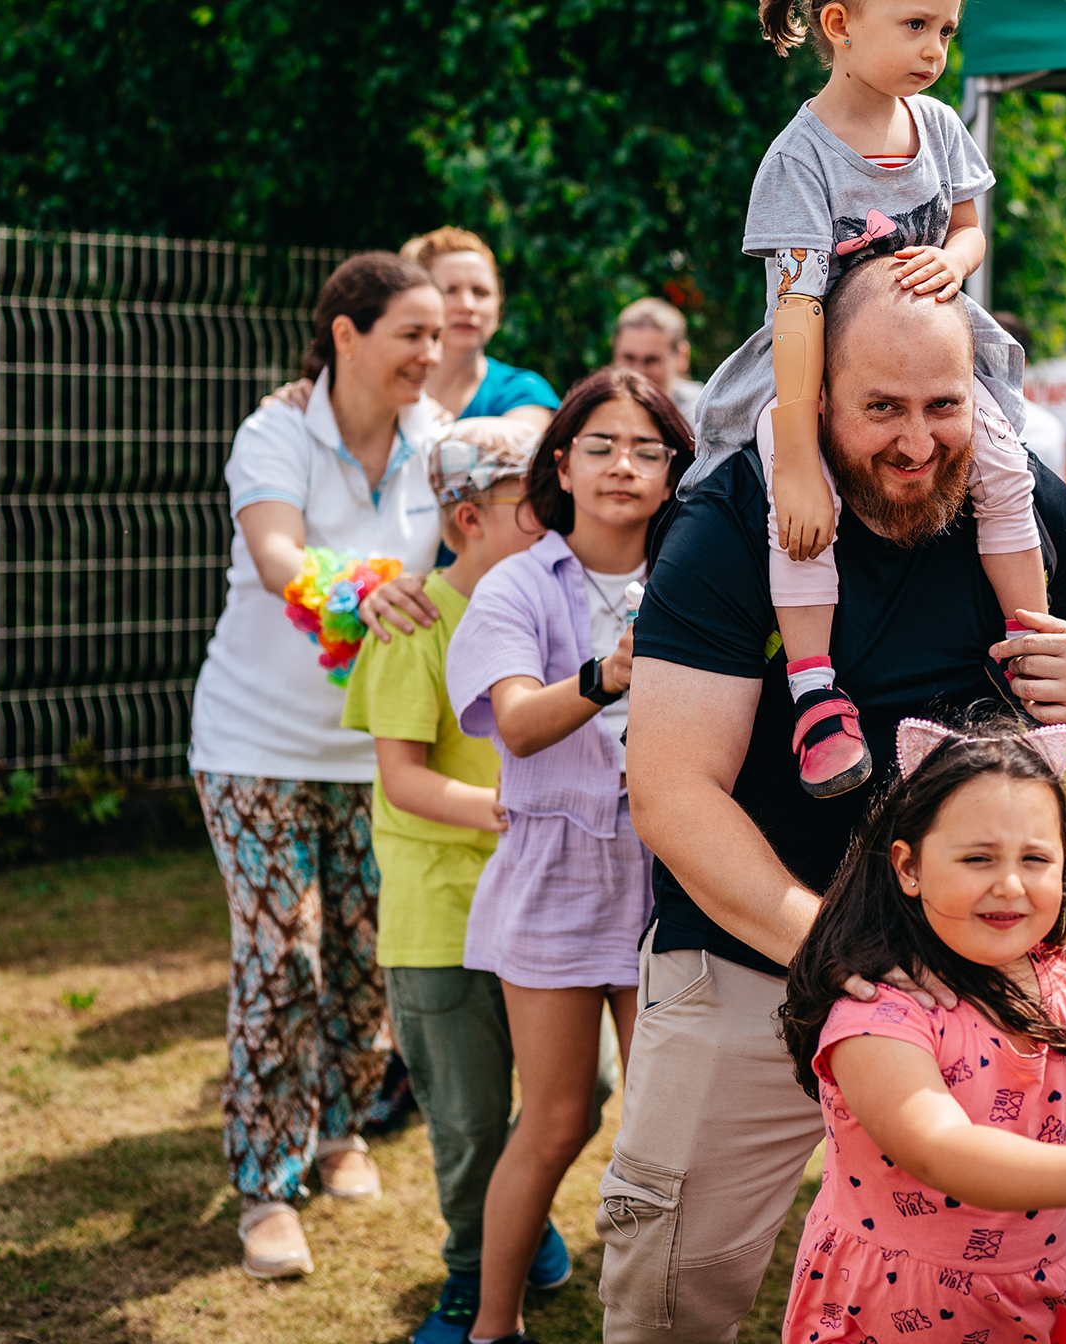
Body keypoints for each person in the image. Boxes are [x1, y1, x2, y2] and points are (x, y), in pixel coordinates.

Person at [600, 257, 1066, 1344]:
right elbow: (671, 793)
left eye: (943, 406)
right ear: (813, 401)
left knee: (962, 1275)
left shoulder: (1017, 487)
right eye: (880, 410)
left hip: (982, 974)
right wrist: (851, 956)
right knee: (675, 1293)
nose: (914, 443)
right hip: (758, 958)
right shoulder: (728, 523)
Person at [684, 0, 1050, 799]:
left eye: (946, 32)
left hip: (925, 364)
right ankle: (815, 690)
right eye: (915, 26)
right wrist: (798, 454)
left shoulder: (942, 125)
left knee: (1003, 466)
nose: (935, 50)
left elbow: (969, 228)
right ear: (841, 22)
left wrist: (955, 262)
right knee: (801, 511)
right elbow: (797, 305)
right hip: (816, 372)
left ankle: (1034, 652)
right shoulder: (799, 156)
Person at [187, 252, 447, 1279]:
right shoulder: (276, 429)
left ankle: (336, 1129)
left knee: (362, 957)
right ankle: (265, 1186)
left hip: (378, 750)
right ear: (345, 333)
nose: (430, 355)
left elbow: (524, 468)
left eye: (438, 337)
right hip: (253, 746)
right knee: (282, 959)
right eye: (410, 336)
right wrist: (372, 587)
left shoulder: (437, 441)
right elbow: (280, 558)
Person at [774, 717, 1066, 1343]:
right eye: (978, 858)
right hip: (893, 1307)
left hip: (1039, 1292)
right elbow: (939, 1148)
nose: (1010, 884)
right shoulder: (878, 1012)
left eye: (1036, 858)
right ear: (908, 868)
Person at [443, 369, 688, 1344]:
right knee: (554, 1123)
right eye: (601, 446)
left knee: (663, 1129)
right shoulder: (517, 581)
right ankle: (491, 1325)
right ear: (562, 466)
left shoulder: (698, 572)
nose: (624, 466)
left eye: (647, 449)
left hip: (674, 872)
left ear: (676, 470)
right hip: (555, 878)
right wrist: (607, 672)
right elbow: (517, 723)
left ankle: (653, 1318)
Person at [337, 418, 574, 1343]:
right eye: (533, 505)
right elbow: (401, 777)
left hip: (544, 900)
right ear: (468, 518)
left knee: (577, 1094)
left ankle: (514, 1223)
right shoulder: (414, 624)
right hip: (441, 915)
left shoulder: (553, 608)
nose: (552, 521)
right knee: (471, 1118)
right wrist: (507, 814)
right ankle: (474, 1279)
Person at [270, 229, 559, 433]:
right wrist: (318, 404)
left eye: (481, 292)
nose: (467, 305)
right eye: (450, 291)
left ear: (499, 307)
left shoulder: (524, 392)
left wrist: (427, 425)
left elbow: (515, 446)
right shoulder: (375, 391)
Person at [993, 310, 1066, 478]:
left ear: (1023, 363)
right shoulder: (953, 418)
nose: (987, 363)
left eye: (999, 353)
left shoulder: (1042, 428)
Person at [614, 297, 708, 424]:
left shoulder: (700, 416)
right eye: (628, 358)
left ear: (682, 357)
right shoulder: (599, 408)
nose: (637, 372)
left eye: (652, 360)